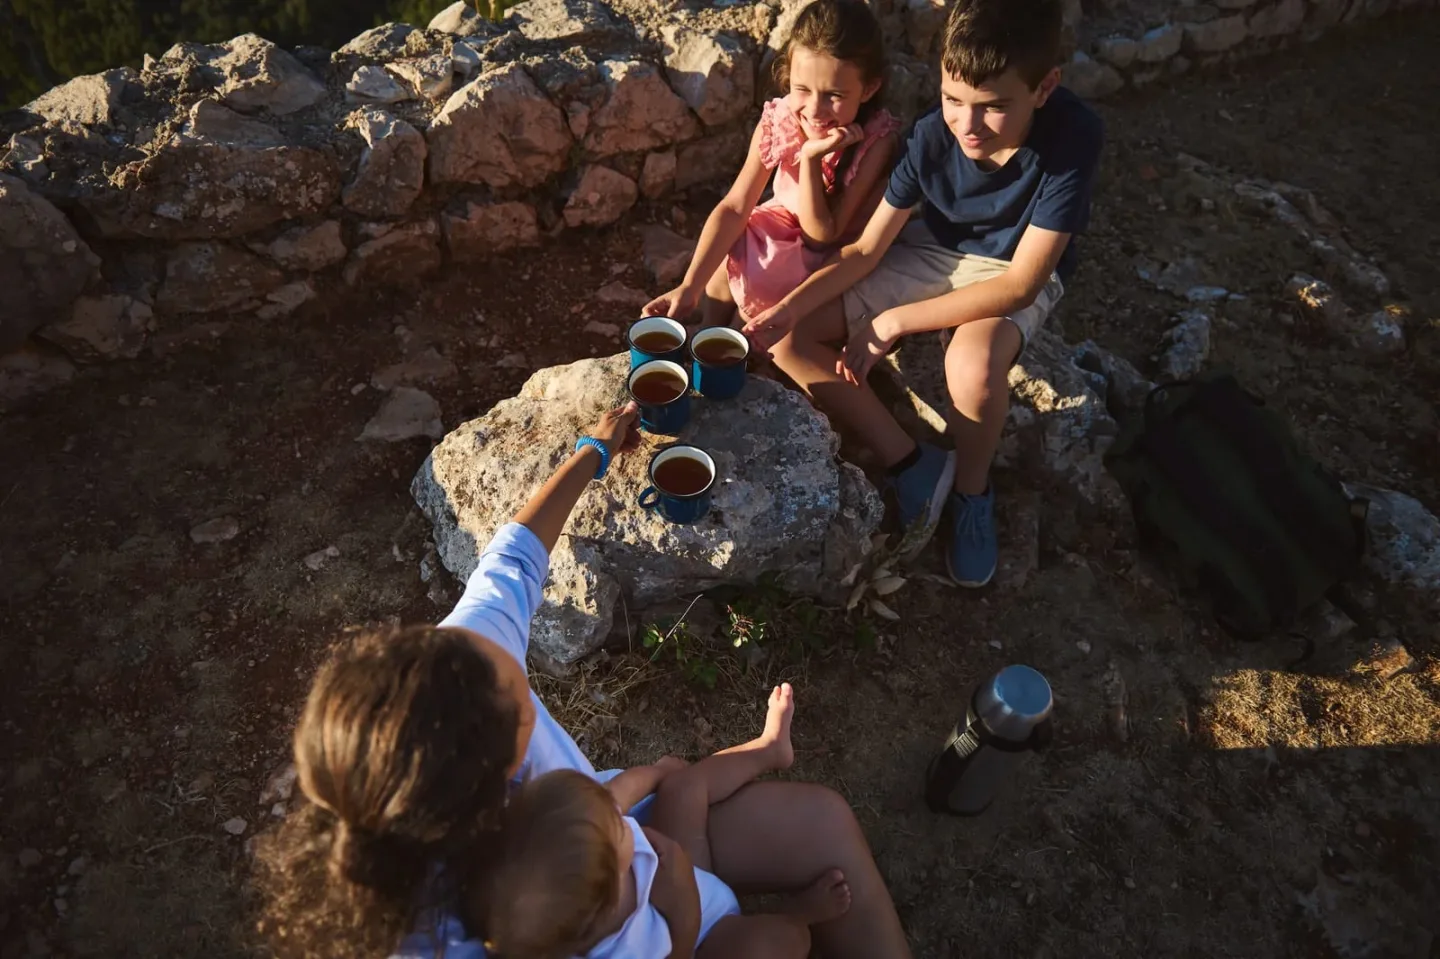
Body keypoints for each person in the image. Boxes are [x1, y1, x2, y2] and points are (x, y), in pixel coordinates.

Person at [253, 402, 912, 959]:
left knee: (822, 821)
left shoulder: (459, 665)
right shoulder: (473, 925)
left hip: (625, 839)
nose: (511, 658)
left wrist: (593, 450)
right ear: (497, 784)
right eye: (521, 701)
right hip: (623, 877)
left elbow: (513, 559)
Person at [741, 0, 1105, 588]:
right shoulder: (929, 138)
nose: (968, 124)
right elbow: (862, 252)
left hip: (1013, 262)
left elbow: (1021, 284)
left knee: (972, 364)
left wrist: (893, 323)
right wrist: (784, 309)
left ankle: (972, 492)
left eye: (994, 108)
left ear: (1045, 88)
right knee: (789, 337)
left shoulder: (1073, 136)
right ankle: (912, 463)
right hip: (931, 250)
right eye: (953, 99)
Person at [478, 684, 853, 959]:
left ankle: (768, 749)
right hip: (706, 936)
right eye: (618, 831)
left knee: (684, 786)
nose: (620, 819)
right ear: (608, 897)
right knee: (768, 947)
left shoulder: (579, 827)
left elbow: (624, 789)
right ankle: (797, 917)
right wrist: (685, 915)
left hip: (690, 873)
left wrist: (660, 773)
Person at [644, 0, 900, 331]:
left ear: (869, 89)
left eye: (833, 94)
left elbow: (823, 237)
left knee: (751, 310)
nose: (815, 109)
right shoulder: (780, 119)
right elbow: (736, 206)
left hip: (828, 263)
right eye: (802, 89)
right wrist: (689, 286)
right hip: (779, 238)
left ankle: (741, 350)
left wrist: (810, 158)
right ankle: (708, 332)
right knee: (724, 263)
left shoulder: (876, 142)